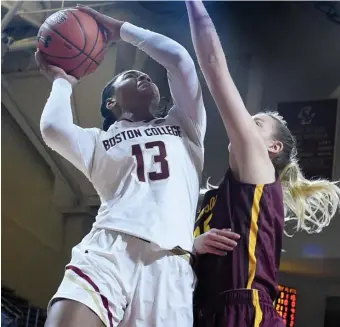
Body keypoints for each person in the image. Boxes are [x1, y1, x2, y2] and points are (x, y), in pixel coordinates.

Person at [38, 5, 207, 327]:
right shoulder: (97, 141)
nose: (143, 75)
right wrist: (63, 81)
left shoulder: (185, 124)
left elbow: (180, 61)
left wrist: (122, 31)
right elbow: (53, 129)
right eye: (130, 76)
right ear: (111, 103)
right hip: (109, 249)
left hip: (170, 265)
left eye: (143, 75)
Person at [187, 1, 340, 326]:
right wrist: (191, 246)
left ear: (272, 147)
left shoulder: (259, 176)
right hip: (204, 313)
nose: (243, 124)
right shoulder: (214, 199)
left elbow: (214, 64)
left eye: (254, 123)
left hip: (245, 311)